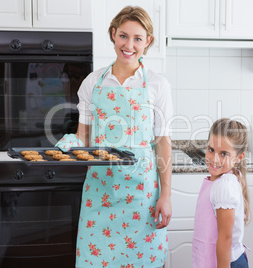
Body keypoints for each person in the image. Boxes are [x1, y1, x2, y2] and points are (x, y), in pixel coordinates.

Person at [55, 6, 173, 267]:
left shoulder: (157, 85)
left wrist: (166, 195)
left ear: (148, 42)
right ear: (113, 34)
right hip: (101, 191)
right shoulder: (92, 82)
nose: (129, 45)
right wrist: (66, 147)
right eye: (123, 36)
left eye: (137, 38)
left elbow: (163, 142)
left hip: (142, 196)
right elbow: (82, 136)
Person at [192, 118, 250, 268]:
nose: (214, 159)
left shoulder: (223, 186)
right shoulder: (222, 180)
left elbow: (225, 239)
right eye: (211, 150)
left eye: (224, 153)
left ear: (239, 157)